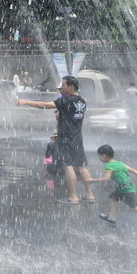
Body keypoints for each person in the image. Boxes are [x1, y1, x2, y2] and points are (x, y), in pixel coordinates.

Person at [18, 75, 96, 204]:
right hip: (77, 136)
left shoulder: (66, 100)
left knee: (68, 165)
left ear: (71, 87)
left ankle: (73, 196)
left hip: (67, 137)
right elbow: (71, 117)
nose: (62, 87)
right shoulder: (81, 100)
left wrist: (25, 102)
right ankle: (89, 195)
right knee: (81, 165)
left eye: (64, 85)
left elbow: (46, 105)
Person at [86, 144, 137, 231]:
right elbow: (133, 170)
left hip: (127, 190)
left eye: (100, 156)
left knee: (135, 207)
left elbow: (106, 179)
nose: (99, 158)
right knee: (112, 198)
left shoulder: (109, 166)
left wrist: (92, 180)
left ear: (104, 156)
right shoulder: (119, 163)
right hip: (126, 187)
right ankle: (111, 218)